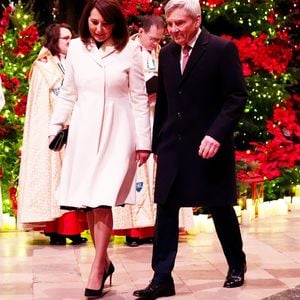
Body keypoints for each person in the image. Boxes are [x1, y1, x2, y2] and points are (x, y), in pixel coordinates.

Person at [133, 0, 248, 299]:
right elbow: (167, 104)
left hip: (209, 144)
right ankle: (161, 277)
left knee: (220, 206)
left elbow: (236, 97)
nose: (173, 30)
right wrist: (158, 142)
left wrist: (216, 134)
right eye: (170, 24)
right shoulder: (168, 53)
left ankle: (237, 264)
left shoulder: (222, 50)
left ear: (196, 20)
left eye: (179, 23)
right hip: (173, 145)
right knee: (167, 209)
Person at [48, 0, 151, 298]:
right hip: (84, 130)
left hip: (119, 131)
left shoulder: (130, 49)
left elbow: (139, 99)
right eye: (94, 22)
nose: (99, 28)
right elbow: (69, 92)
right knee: (91, 200)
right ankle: (104, 261)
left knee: (104, 197)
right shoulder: (78, 49)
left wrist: (143, 142)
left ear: (116, 24)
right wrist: (56, 126)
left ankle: (96, 267)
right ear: (86, 21)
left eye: (105, 23)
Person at [113, 14, 194, 247]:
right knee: (138, 173)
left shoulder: (160, 53)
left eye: (159, 39)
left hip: (155, 116)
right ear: (141, 32)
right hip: (135, 117)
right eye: (152, 38)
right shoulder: (127, 51)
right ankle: (134, 230)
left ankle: (151, 227)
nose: (155, 43)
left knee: (155, 174)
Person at [18, 23, 88, 245]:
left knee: (73, 178)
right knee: (55, 177)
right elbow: (41, 105)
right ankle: (56, 229)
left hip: (75, 128)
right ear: (53, 41)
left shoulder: (75, 62)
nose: (69, 42)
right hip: (55, 130)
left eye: (70, 38)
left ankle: (74, 229)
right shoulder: (43, 67)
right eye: (64, 39)